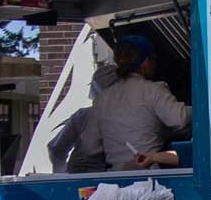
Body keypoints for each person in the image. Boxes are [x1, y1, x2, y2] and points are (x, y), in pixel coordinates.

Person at [69, 35, 192, 173]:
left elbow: (90, 146)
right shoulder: (153, 90)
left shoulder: (102, 99)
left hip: (116, 176)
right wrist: (201, 107)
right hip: (151, 173)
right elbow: (179, 118)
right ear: (146, 62)